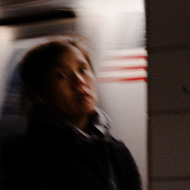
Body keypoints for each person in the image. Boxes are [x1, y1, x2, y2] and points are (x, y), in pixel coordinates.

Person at [1, 35, 142, 190]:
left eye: (83, 69)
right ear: (40, 95)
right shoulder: (22, 154)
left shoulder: (117, 151)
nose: (79, 81)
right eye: (62, 75)